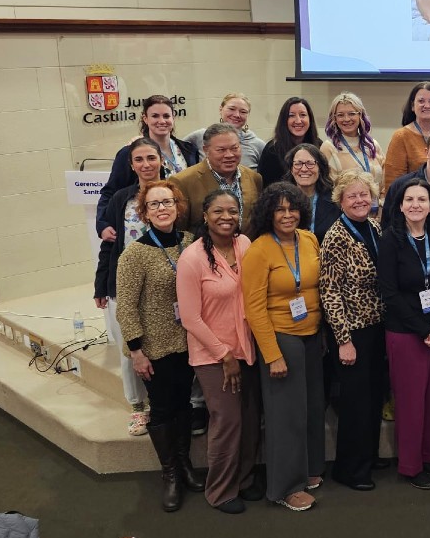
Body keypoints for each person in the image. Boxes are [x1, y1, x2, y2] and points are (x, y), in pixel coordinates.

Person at [114, 181, 205, 512]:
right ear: (145, 212)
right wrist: (136, 352)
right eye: (154, 204)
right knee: (163, 408)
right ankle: (170, 474)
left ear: (178, 206)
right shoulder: (134, 254)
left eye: (167, 202)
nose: (162, 208)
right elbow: (126, 307)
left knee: (184, 404)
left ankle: (185, 463)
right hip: (154, 347)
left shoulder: (190, 243)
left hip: (188, 341)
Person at [176, 190, 262, 514]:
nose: (226, 217)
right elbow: (190, 318)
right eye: (218, 211)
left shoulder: (244, 244)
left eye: (232, 211)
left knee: (250, 420)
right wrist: (224, 355)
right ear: (205, 216)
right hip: (214, 356)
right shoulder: (192, 258)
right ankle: (221, 491)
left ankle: (244, 478)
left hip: (247, 347)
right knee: (227, 422)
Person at [241, 183, 324, 511]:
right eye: (280, 209)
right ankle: (286, 487)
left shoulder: (309, 239)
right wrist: (272, 354)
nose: (288, 215)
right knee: (286, 416)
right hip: (282, 338)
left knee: (311, 408)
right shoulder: (259, 250)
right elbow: (254, 308)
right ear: (269, 214)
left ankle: (310, 468)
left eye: (293, 208)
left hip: (312, 335)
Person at [377, 178, 430, 490]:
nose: (415, 205)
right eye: (409, 199)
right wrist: (424, 329)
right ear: (400, 205)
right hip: (406, 333)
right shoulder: (390, 240)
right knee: (410, 402)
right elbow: (389, 293)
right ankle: (411, 466)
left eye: (422, 199)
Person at [318, 170, 386, 492]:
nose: (359, 200)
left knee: (373, 396)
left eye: (364, 194)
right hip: (351, 332)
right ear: (341, 201)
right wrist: (343, 340)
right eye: (352, 196)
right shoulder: (336, 236)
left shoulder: (374, 227)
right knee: (355, 402)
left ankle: (368, 456)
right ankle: (350, 469)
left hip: (376, 326)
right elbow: (329, 292)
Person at [93, 137, 158, 436]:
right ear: (131, 165)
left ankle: (161, 402)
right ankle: (138, 406)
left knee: (164, 347)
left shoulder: (174, 193)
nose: (146, 164)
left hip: (164, 285)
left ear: (161, 160)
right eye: (139, 159)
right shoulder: (121, 198)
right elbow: (109, 244)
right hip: (124, 285)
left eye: (151, 158)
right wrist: (100, 285)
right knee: (129, 348)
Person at [96, 94, 198, 241]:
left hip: (181, 222)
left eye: (166, 116)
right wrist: (102, 224)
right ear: (145, 118)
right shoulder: (129, 152)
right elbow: (111, 190)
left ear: (173, 117)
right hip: (145, 224)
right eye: (155, 116)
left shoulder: (188, 150)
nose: (161, 121)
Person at [170, 123, 263, 232]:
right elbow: (179, 229)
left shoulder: (254, 178)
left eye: (234, 148)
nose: (229, 155)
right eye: (221, 150)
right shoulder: (182, 181)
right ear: (206, 150)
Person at [383, 82, 430, 192]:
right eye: (421, 101)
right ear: (412, 106)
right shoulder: (401, 137)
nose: (427, 106)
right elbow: (393, 183)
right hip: (414, 200)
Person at [320, 92, 384, 192]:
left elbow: (385, 180)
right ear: (334, 118)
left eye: (352, 114)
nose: (346, 119)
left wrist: (382, 199)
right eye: (340, 115)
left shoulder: (373, 145)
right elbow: (329, 188)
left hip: (377, 201)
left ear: (360, 115)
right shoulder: (329, 148)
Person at [183, 93, 266, 170]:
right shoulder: (200, 136)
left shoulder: (258, 145)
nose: (237, 115)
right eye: (231, 109)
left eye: (243, 112)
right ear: (221, 109)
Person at [258, 97, 322, 189]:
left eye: (303, 115)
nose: (298, 121)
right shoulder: (272, 150)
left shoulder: (319, 146)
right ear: (284, 120)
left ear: (310, 119)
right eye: (291, 115)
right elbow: (267, 189)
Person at [283, 143, 341, 243]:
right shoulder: (280, 200)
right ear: (291, 169)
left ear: (320, 168)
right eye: (298, 164)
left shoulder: (335, 200)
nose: (304, 169)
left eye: (310, 163)